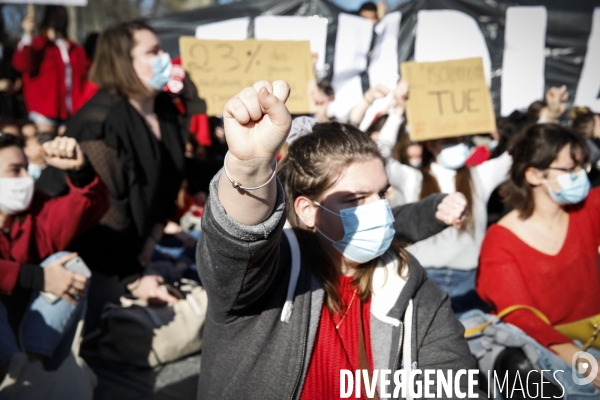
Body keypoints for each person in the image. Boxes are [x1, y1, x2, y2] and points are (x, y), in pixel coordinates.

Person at [196, 80, 479, 398]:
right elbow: (237, 244)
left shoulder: (413, 290)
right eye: (356, 199)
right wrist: (249, 169)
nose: (379, 209)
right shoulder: (269, 275)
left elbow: (456, 384)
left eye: (382, 193)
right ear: (306, 210)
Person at [65, 20, 185, 331]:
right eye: (153, 51)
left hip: (139, 249)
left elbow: (169, 182)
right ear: (123, 61)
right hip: (97, 263)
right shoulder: (100, 121)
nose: (164, 58)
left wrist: (151, 243)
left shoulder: (165, 110)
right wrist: (134, 277)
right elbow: (106, 210)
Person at [477, 123, 600, 393]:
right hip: (547, 360)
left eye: (583, 167)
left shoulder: (588, 209)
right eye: (570, 170)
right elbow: (518, 315)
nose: (580, 175)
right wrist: (577, 358)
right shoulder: (500, 240)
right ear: (533, 174)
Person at [378, 80, 512, 314]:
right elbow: (379, 156)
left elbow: (517, 156)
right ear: (431, 144)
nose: (458, 145)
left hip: (468, 280)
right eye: (449, 140)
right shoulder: (414, 178)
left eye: (461, 140)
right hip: (422, 276)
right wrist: (398, 110)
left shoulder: (480, 175)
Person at [0, 133, 108, 379]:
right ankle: (12, 375)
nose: (26, 179)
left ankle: (31, 370)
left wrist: (80, 170)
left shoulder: (33, 213)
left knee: (71, 265)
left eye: (27, 169)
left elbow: (87, 207)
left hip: (24, 332)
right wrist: (38, 277)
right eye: (15, 171)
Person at [12, 6, 90, 134]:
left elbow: (86, 78)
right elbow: (21, 64)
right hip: (44, 112)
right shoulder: (38, 45)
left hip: (72, 112)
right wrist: (27, 34)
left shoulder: (76, 49)